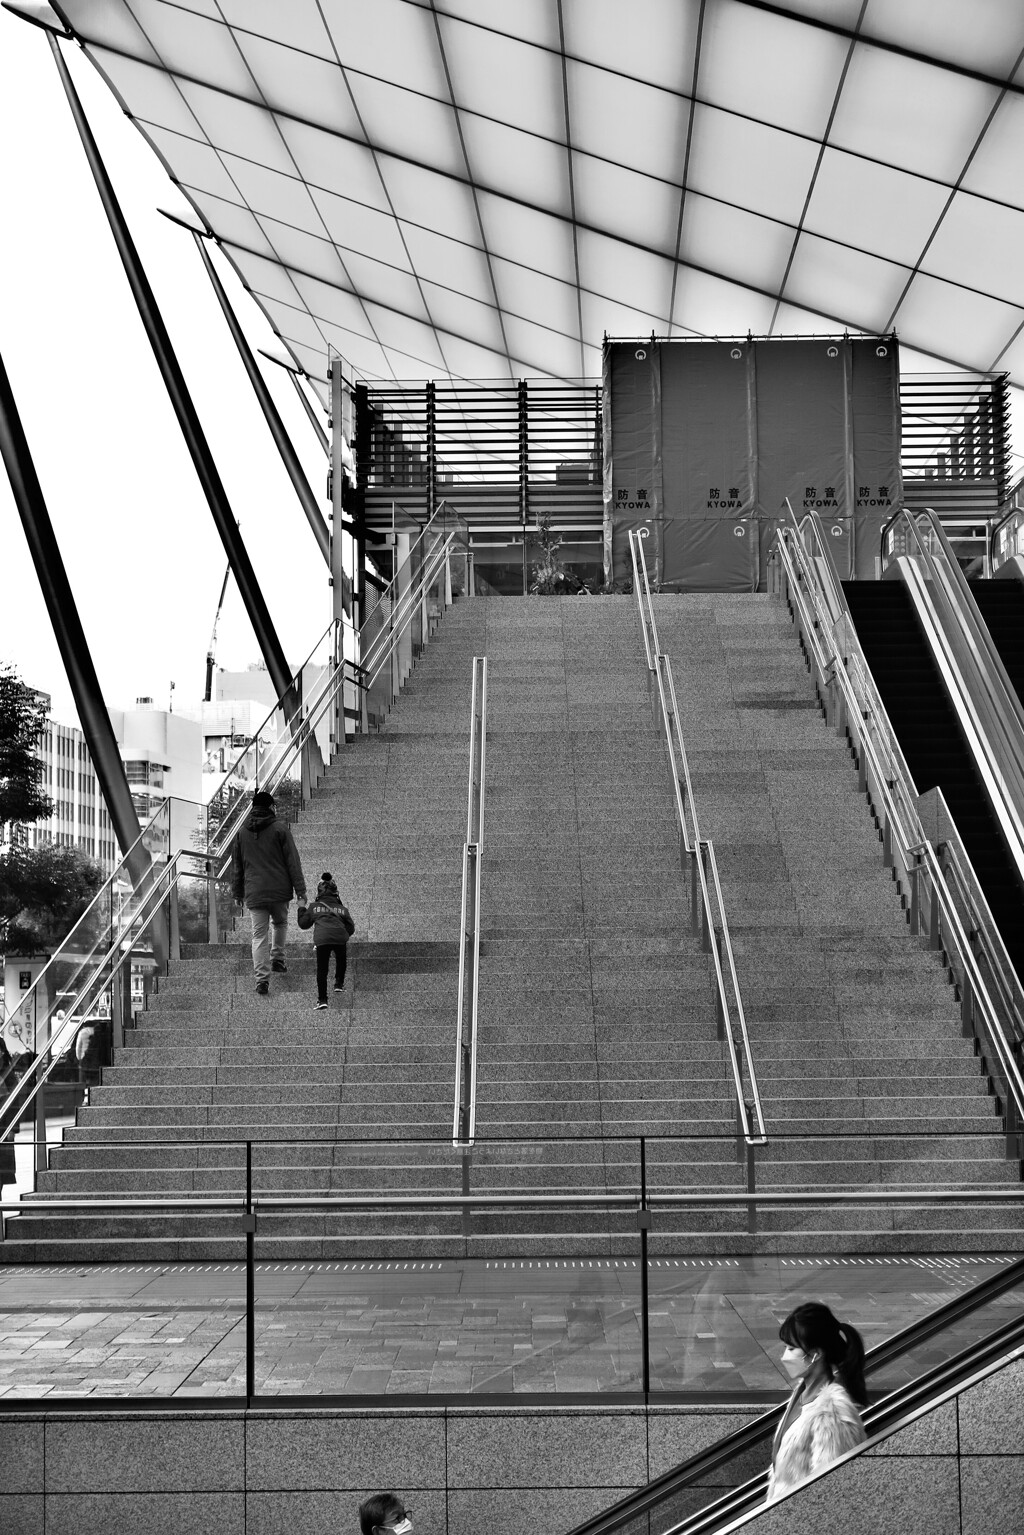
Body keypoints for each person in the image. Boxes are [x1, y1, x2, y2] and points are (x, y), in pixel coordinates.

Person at [767, 1302, 867, 1503]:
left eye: (791, 1348)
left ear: (815, 1355)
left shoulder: (832, 1413)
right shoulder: (802, 1394)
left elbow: (830, 1492)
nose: (784, 1356)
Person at [230, 789, 307, 995]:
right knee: (280, 923)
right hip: (279, 890)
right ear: (271, 807)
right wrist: (300, 891)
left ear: (253, 808)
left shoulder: (241, 833)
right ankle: (278, 960)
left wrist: (237, 893)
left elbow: (237, 866)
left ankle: (261, 980)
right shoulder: (280, 829)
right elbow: (293, 862)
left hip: (254, 892)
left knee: (258, 935)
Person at [297, 871, 355, 1010]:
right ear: (336, 893)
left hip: (322, 939)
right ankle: (339, 984)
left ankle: (322, 1000)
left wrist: (301, 907)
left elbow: (303, 924)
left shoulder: (313, 907)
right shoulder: (342, 909)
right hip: (340, 937)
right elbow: (351, 928)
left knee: (322, 969)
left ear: (319, 893)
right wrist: (340, 932)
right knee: (341, 958)